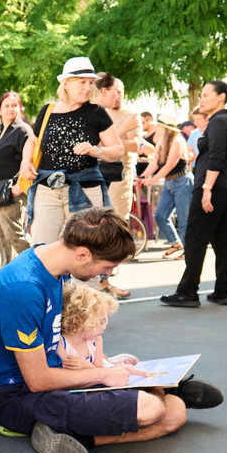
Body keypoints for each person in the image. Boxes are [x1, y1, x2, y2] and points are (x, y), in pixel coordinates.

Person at [0, 208, 223, 453]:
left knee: (175, 413)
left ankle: (154, 393)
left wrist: (101, 366)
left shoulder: (51, 265)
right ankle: (81, 431)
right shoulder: (22, 289)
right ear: (82, 254)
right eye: (107, 267)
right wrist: (102, 375)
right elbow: (38, 380)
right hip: (14, 396)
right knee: (152, 409)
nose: (107, 273)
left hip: (54, 373)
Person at [19, 56, 124, 246]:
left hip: (86, 189)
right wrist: (25, 162)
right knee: (41, 249)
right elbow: (32, 141)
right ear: (66, 84)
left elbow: (118, 150)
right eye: (82, 82)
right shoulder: (48, 110)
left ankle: (90, 277)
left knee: (87, 248)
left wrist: (96, 151)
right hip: (47, 188)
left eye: (91, 83)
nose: (88, 87)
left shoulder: (97, 112)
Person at [161, 81, 227, 308]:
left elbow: (216, 157)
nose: (202, 99)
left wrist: (207, 189)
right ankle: (222, 292)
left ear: (221, 97)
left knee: (195, 239)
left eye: (207, 95)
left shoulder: (219, 121)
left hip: (215, 186)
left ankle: (188, 292)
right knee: (224, 241)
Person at [93, 72, 142, 299]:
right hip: (95, 174)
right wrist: (119, 132)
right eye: (115, 91)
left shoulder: (131, 115)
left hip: (119, 177)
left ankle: (104, 278)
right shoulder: (96, 112)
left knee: (113, 226)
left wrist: (111, 140)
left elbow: (133, 146)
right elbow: (97, 143)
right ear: (104, 91)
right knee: (94, 225)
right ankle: (98, 279)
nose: (118, 96)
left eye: (121, 92)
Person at [0, 92, 34, 278]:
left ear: (19, 108)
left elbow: (30, 160)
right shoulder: (0, 132)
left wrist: (19, 187)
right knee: (1, 237)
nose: (11, 109)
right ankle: (5, 273)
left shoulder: (22, 130)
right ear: (0, 110)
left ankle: (38, 267)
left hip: (11, 193)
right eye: (7, 105)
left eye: (14, 105)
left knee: (15, 236)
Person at [139, 113, 192, 260]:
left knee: (184, 220)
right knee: (161, 215)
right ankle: (175, 243)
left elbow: (170, 164)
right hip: (170, 183)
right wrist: (145, 175)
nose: (155, 128)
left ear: (165, 128)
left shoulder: (177, 142)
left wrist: (153, 179)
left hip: (182, 182)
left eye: (159, 126)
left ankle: (189, 251)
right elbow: (155, 161)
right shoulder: (162, 141)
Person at [57, 281, 139, 368]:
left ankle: (112, 363)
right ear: (78, 321)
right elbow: (68, 375)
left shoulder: (96, 340)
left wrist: (88, 367)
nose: (104, 326)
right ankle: (114, 363)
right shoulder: (61, 343)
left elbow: (100, 370)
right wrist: (89, 367)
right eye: (100, 322)